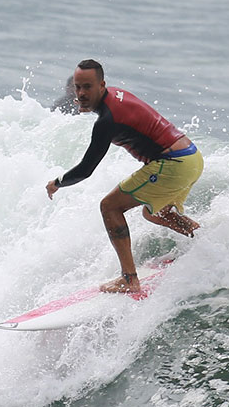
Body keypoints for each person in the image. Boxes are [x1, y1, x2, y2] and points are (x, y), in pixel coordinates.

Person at [45, 59, 203, 293]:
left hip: (173, 163)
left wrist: (57, 183)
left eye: (87, 87)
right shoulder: (117, 94)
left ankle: (129, 279)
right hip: (192, 159)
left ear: (101, 85)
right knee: (156, 213)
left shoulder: (106, 121)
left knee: (110, 207)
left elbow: (86, 169)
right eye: (78, 87)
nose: (81, 94)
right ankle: (204, 244)